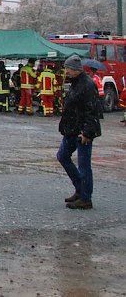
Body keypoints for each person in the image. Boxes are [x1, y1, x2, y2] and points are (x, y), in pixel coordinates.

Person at [57, 54, 102, 210]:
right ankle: (80, 188)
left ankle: (85, 198)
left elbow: (92, 111)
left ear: (76, 70)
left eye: (68, 69)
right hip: (71, 129)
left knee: (84, 165)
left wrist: (87, 133)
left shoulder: (87, 85)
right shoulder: (75, 83)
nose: (66, 71)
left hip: (83, 132)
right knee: (62, 156)